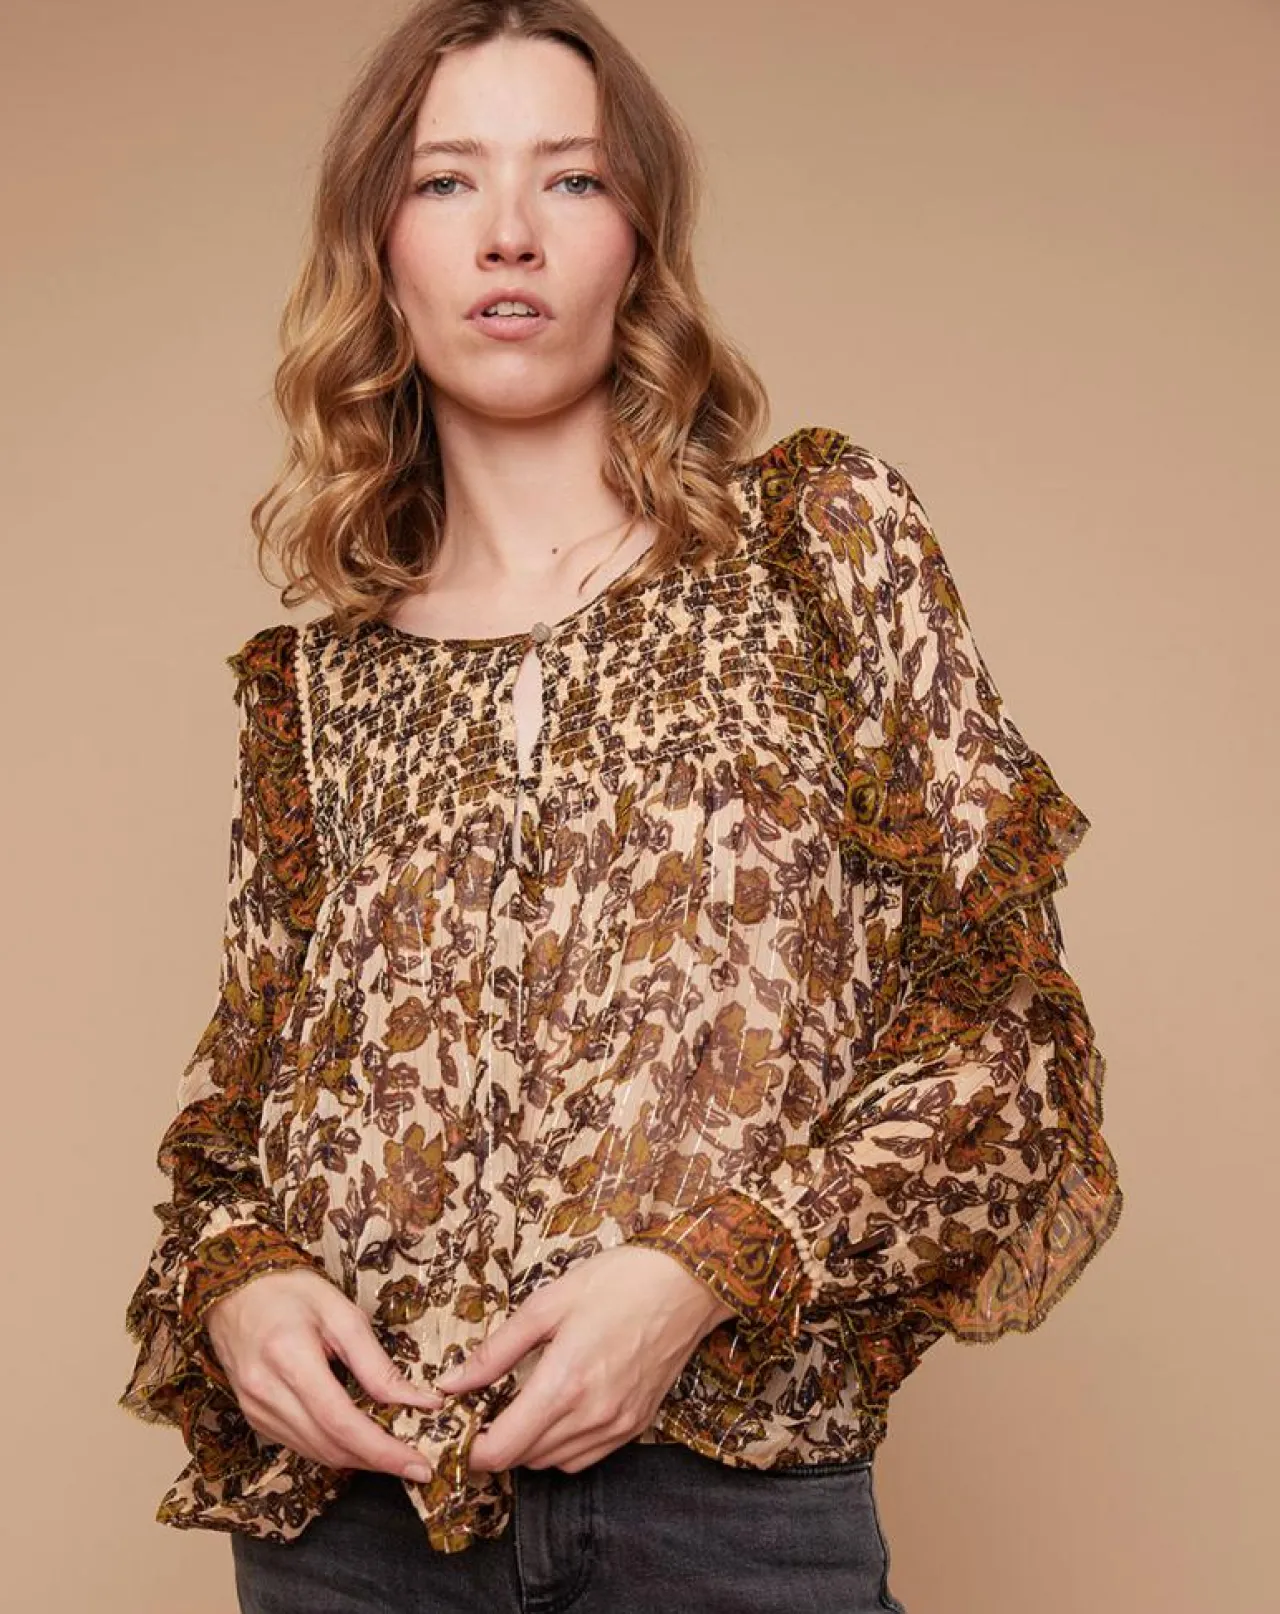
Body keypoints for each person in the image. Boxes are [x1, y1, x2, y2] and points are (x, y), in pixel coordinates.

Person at [117, 2, 1125, 1611]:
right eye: (446, 180)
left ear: (639, 241)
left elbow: (1005, 1043)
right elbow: (229, 1134)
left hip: (723, 1518)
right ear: (379, 247)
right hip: (353, 1535)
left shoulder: (813, 551)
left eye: (571, 178)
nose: (509, 232)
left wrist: (700, 1271)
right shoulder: (313, 691)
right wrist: (240, 1286)